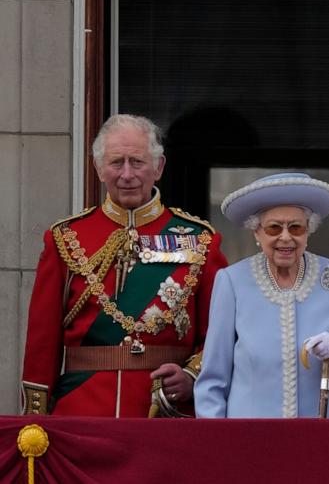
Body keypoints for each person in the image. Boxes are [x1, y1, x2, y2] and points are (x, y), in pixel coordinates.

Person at [20, 114, 228, 417]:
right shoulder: (65, 238)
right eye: (117, 162)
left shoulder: (200, 240)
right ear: (99, 168)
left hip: (166, 412)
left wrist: (192, 375)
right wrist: (35, 423)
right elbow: (42, 342)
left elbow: (220, 332)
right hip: (82, 411)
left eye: (138, 162)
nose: (127, 174)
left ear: (159, 168)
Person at [194, 173, 329, 418]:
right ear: (256, 232)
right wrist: (219, 444)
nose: (285, 237)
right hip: (250, 439)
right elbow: (212, 381)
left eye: (296, 227)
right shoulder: (232, 282)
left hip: (317, 439)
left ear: (308, 231)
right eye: (273, 227)